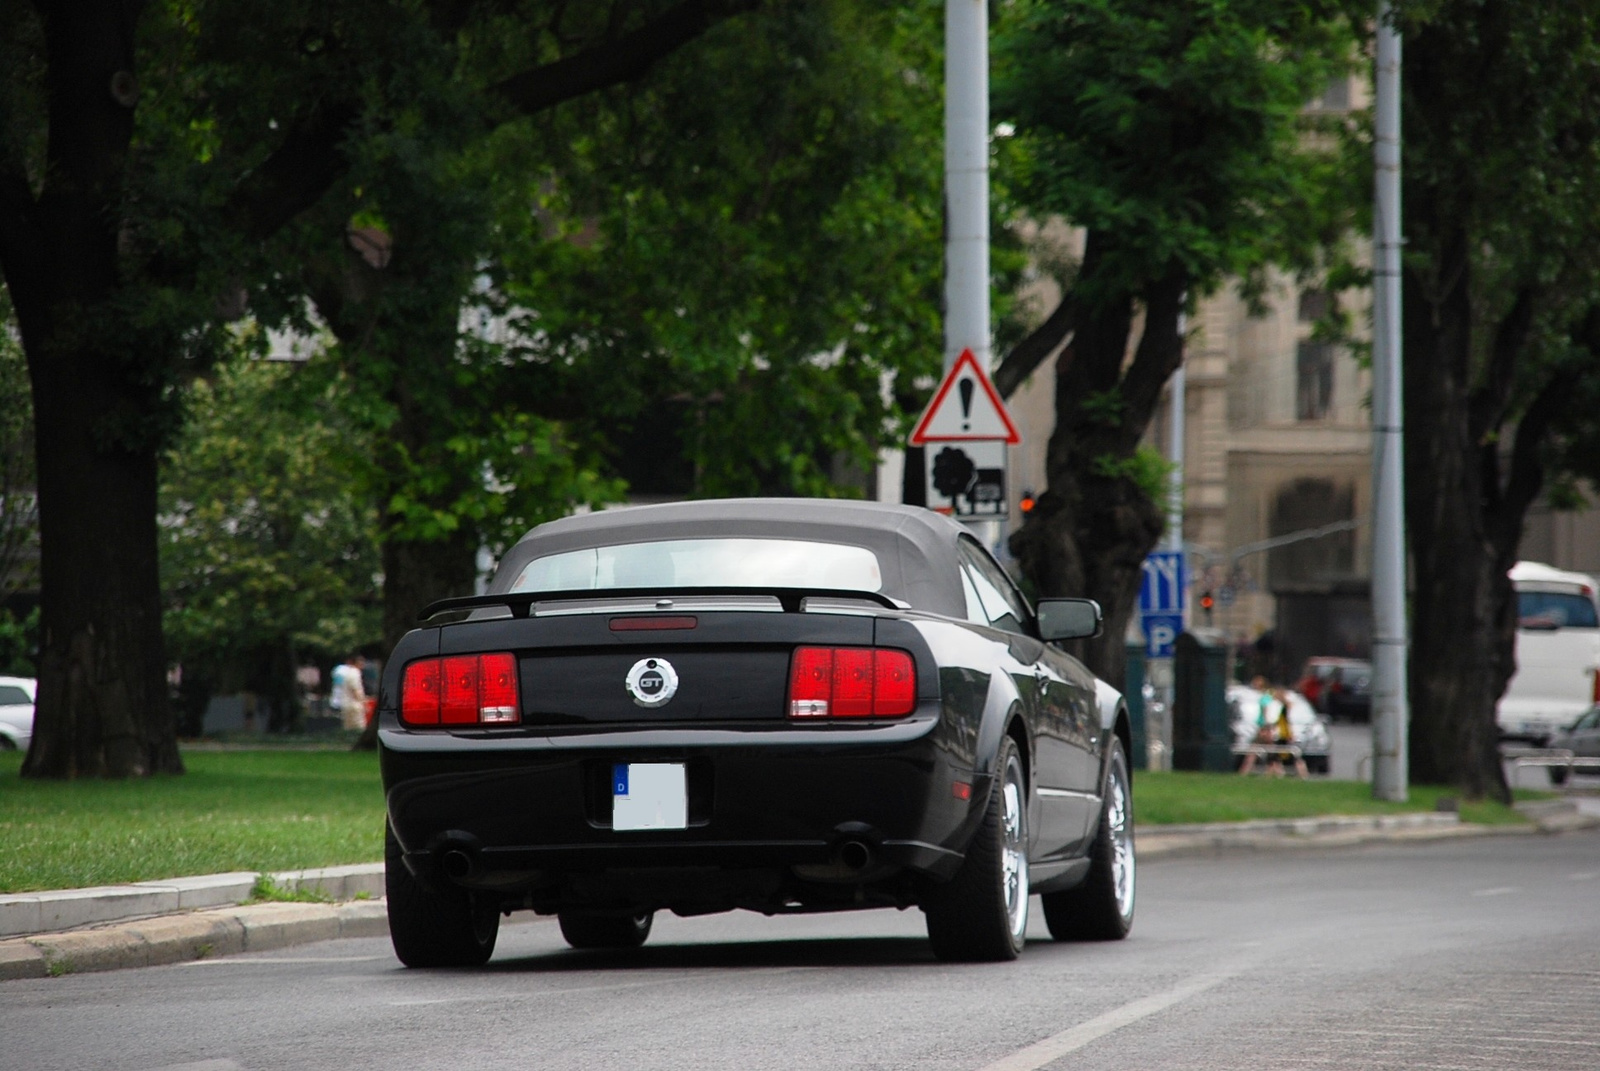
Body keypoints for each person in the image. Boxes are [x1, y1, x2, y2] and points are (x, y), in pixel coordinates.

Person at [330, 654, 368, 731]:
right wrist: (363, 702)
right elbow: (355, 689)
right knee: (359, 727)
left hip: (345, 704)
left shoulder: (346, 672)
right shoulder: (355, 673)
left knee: (348, 727)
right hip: (354, 704)